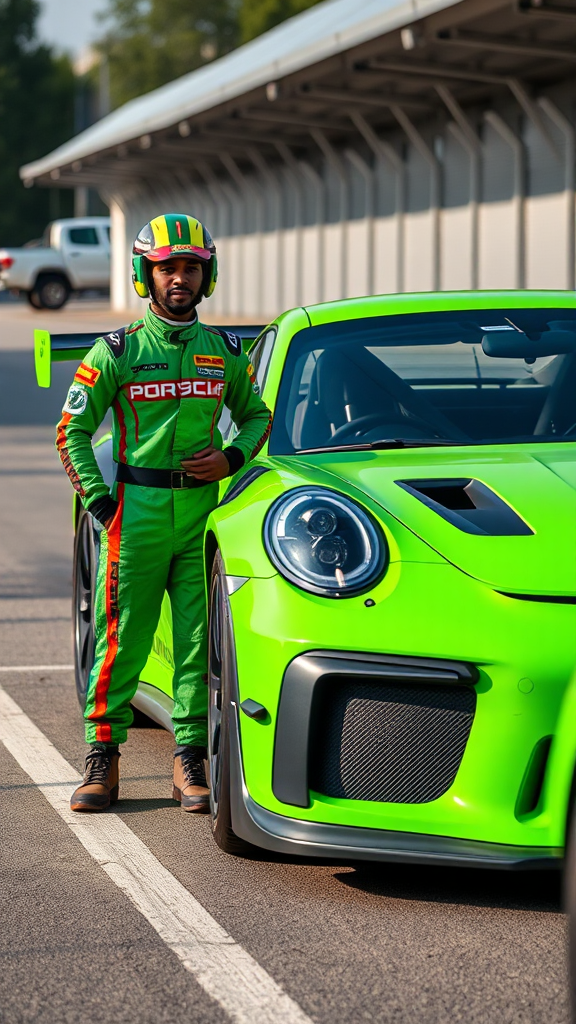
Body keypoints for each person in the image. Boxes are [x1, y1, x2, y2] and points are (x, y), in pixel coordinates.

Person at [56, 213, 271, 814]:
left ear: (209, 276)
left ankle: (189, 761)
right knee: (120, 638)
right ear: (144, 276)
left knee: (200, 642)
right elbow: (71, 430)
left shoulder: (224, 351)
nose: (180, 278)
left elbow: (258, 416)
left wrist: (229, 459)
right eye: (167, 268)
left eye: (191, 268)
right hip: (137, 514)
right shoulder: (116, 351)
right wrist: (102, 505)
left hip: (203, 517)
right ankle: (102, 758)